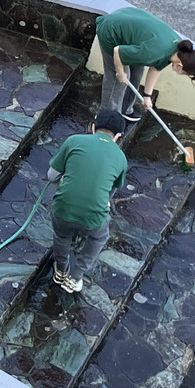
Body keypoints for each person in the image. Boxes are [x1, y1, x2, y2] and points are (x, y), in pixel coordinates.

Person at [46, 109, 128, 295]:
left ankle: (61, 270)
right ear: (118, 136)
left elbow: (51, 176)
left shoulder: (74, 141)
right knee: (99, 236)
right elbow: (111, 190)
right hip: (92, 217)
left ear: (93, 127)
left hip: (62, 209)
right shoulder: (121, 158)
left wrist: (66, 177)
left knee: (62, 236)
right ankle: (75, 277)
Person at [92, 6, 195, 122]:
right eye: (183, 73)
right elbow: (118, 52)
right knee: (119, 80)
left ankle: (125, 109)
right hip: (111, 30)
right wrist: (120, 72)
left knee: (138, 70)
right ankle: (106, 118)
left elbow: (155, 69)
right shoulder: (154, 53)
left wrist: (147, 96)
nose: (179, 73)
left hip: (128, 22)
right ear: (180, 66)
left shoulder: (177, 50)